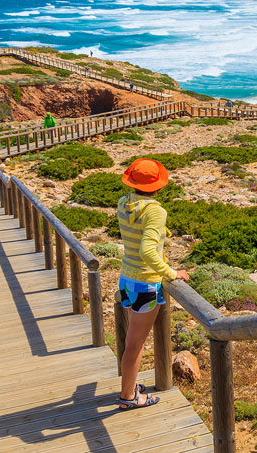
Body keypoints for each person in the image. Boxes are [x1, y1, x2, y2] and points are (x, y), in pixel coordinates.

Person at [114, 159, 189, 410]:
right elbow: (148, 251)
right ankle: (128, 397)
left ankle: (129, 386)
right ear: (158, 184)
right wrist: (170, 273)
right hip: (145, 282)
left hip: (127, 278)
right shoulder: (155, 211)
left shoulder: (124, 203)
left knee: (132, 343)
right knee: (135, 345)